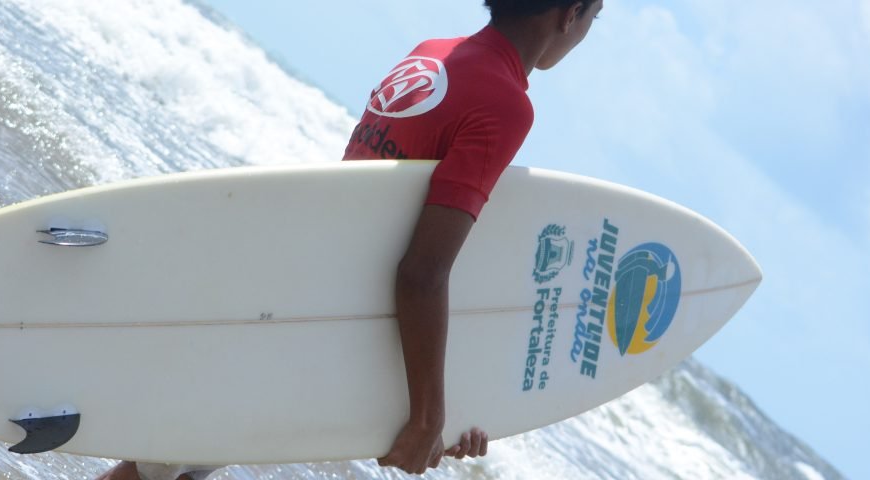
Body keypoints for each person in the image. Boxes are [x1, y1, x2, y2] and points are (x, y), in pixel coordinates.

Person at [97, 1, 602, 478]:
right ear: (570, 14)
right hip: (319, 327)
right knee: (157, 468)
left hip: (290, 287)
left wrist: (445, 409)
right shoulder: (505, 104)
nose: (584, 35)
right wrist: (427, 419)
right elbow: (422, 272)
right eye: (592, 17)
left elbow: (376, 215)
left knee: (175, 464)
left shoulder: (431, 54)